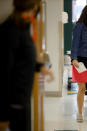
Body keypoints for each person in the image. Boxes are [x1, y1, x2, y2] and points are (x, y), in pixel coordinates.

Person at [0, 0, 54, 130]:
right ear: (33, 6)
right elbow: (4, 70)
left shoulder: (23, 26)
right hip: (14, 102)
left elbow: (23, 58)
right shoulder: (10, 30)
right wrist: (3, 114)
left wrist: (40, 66)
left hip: (23, 98)